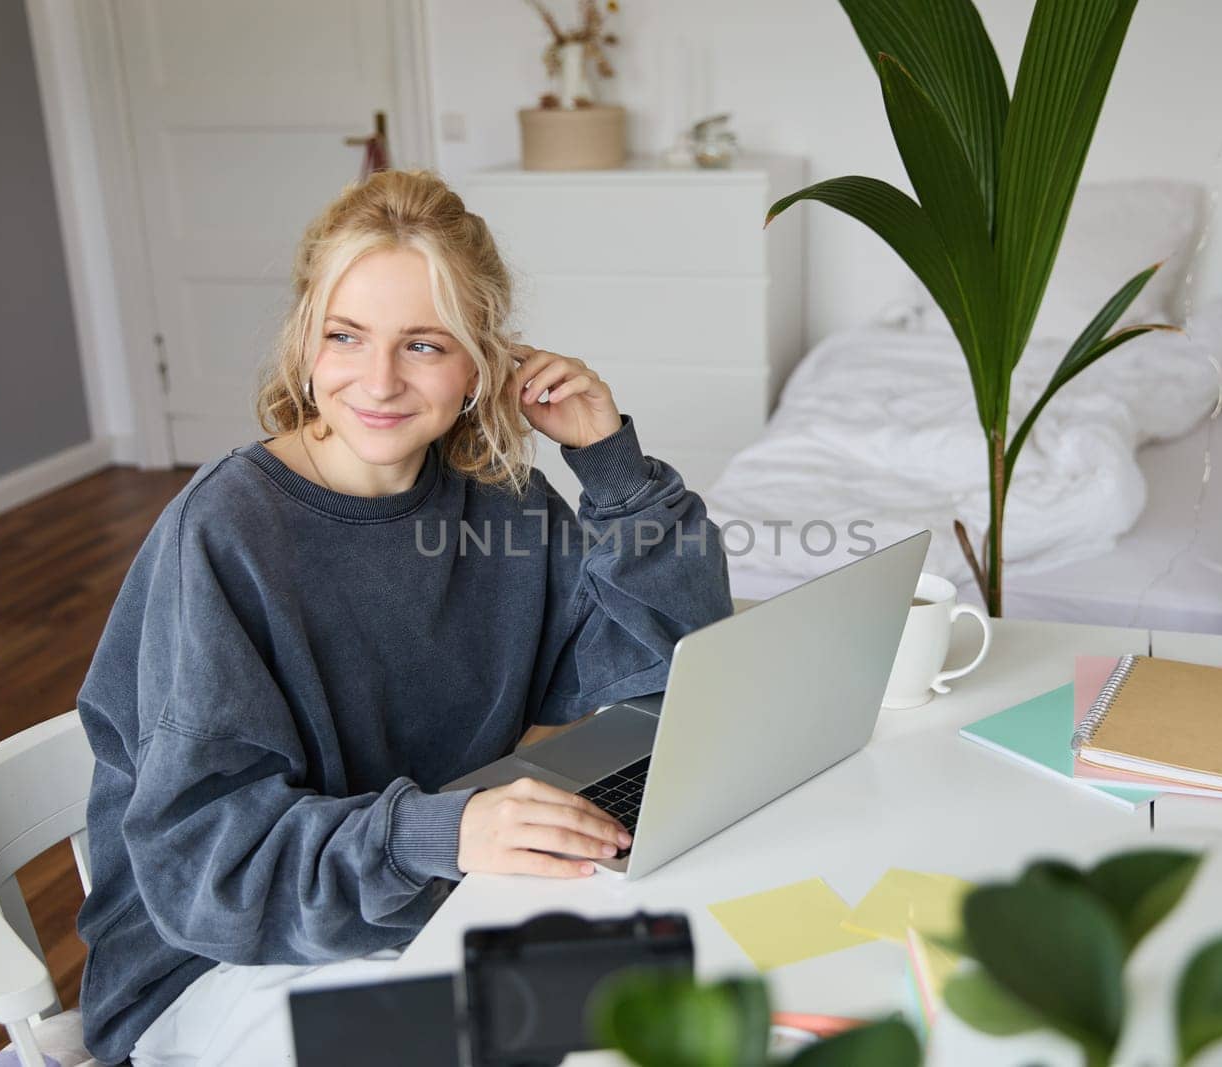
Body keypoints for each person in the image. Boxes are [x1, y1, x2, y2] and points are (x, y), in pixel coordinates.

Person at [72, 168, 734, 1065]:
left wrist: (612, 467)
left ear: (482, 361)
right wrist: (442, 830)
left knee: (678, 997)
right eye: (347, 336)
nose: (378, 380)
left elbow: (663, 672)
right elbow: (206, 870)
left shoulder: (505, 505)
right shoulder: (225, 534)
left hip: (426, 900)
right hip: (217, 966)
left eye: (423, 344)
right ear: (306, 340)